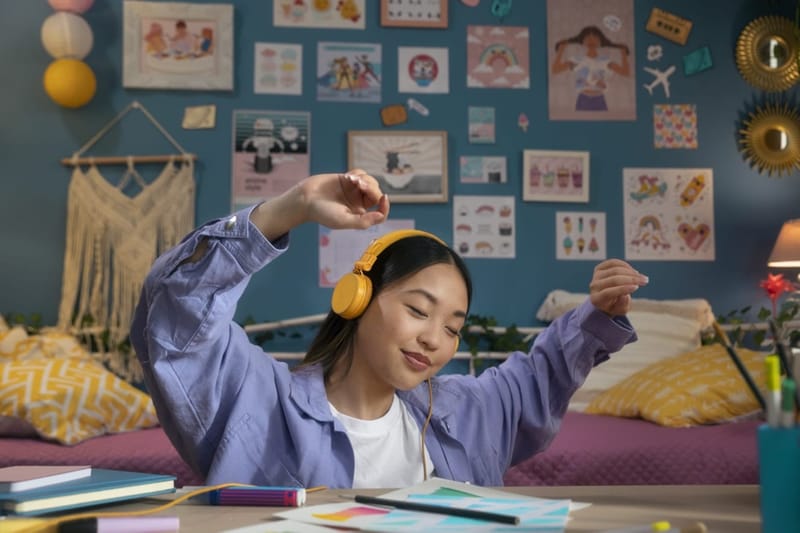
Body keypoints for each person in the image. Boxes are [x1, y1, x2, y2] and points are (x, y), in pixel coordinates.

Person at [131, 170, 648, 489]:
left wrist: (596, 313)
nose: (435, 340)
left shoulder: (466, 413)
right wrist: (296, 205)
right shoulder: (256, 401)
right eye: (419, 310)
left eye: (453, 328)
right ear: (356, 299)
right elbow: (177, 308)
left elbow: (540, 376)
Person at [551, 25, 631, 112]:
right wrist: (561, 50)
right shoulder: (577, 60)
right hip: (583, 99)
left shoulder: (605, 61)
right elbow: (555, 70)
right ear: (582, 41)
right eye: (587, 37)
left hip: (600, 99)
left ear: (600, 41)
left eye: (595, 37)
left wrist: (623, 53)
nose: (591, 40)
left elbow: (625, 72)